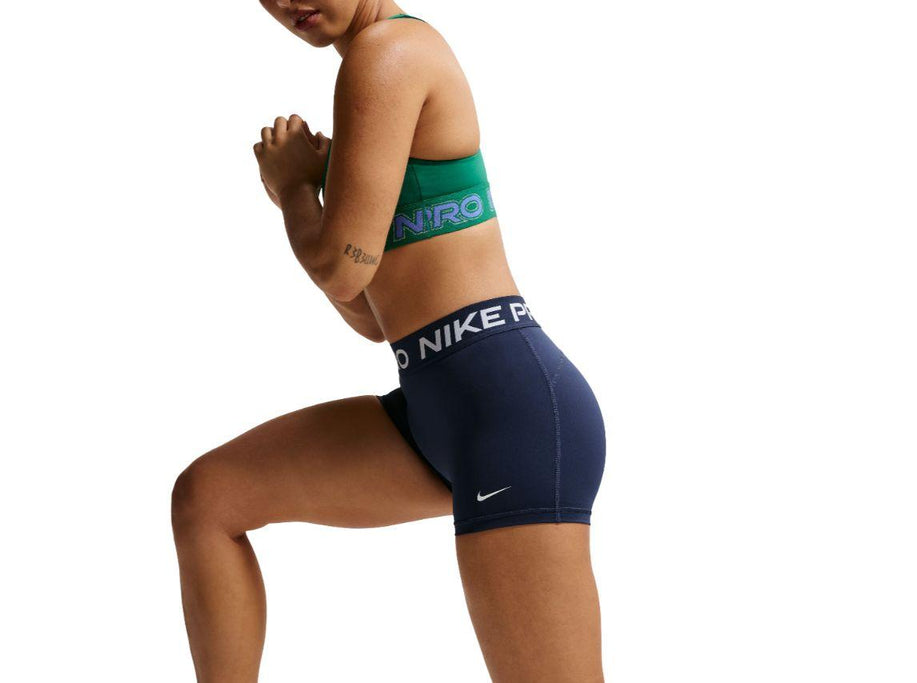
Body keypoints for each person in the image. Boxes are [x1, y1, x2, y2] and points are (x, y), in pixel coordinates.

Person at [171, 3, 607, 681]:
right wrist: (310, 209)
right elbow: (370, 316)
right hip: (437, 406)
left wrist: (295, 191)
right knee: (209, 498)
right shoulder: (375, 70)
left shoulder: (387, 55)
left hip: (510, 413)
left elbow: (341, 267)